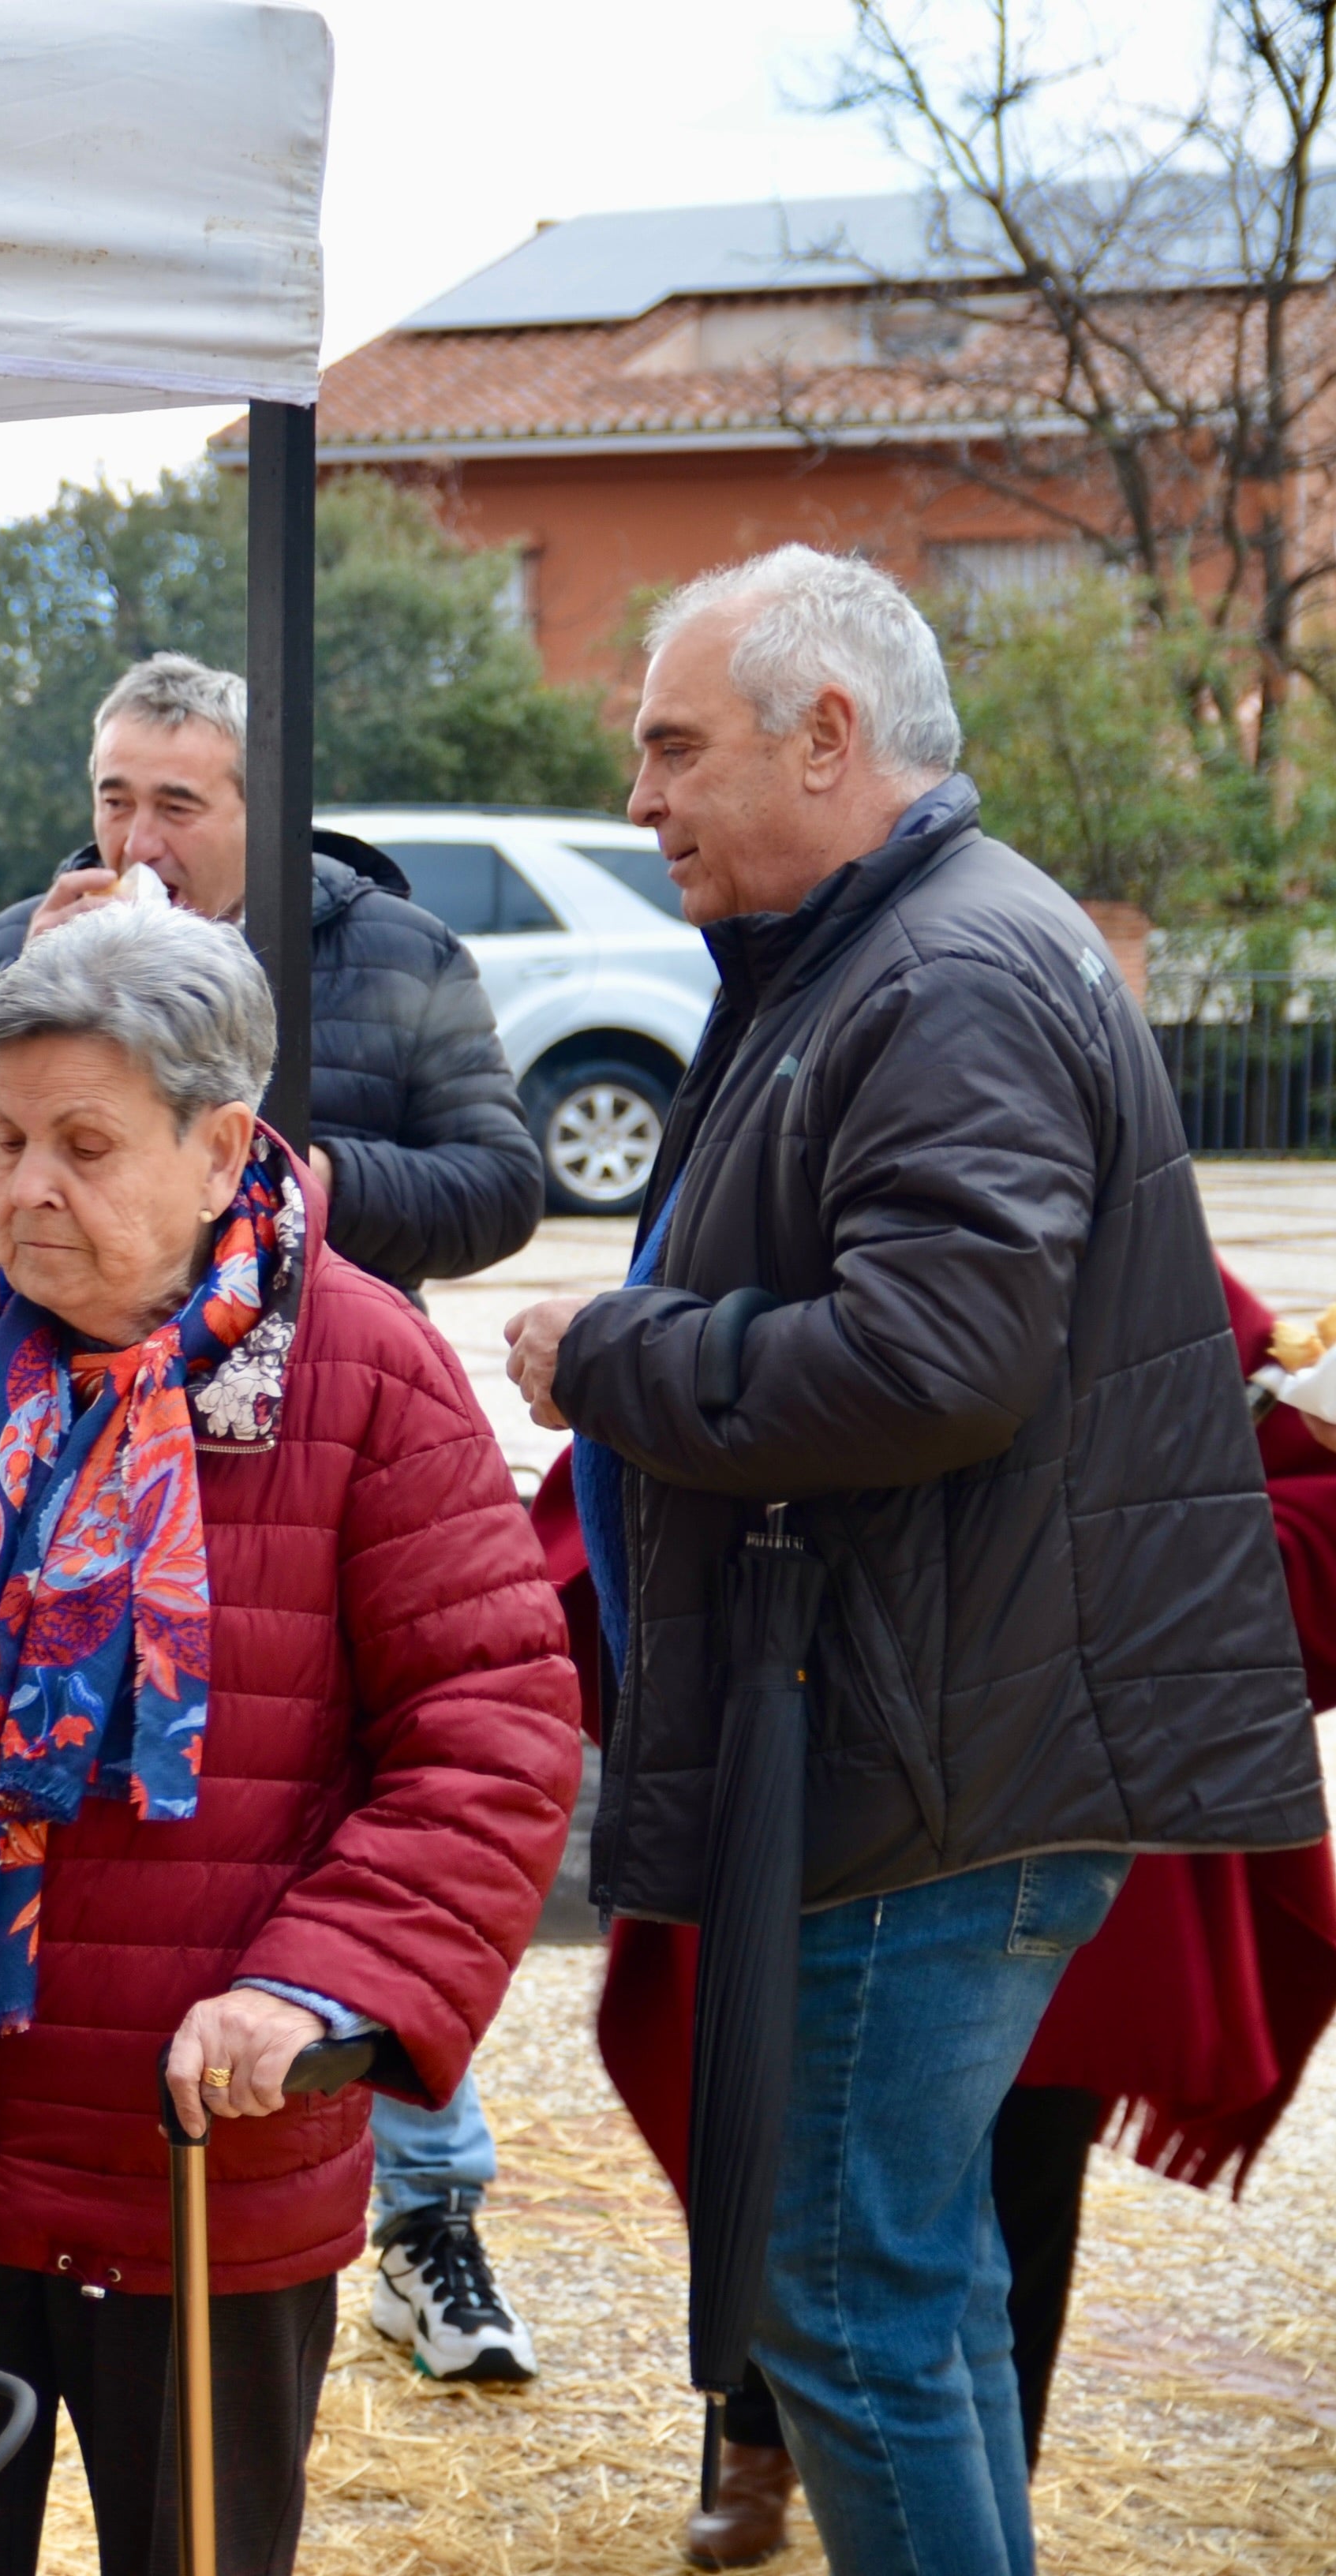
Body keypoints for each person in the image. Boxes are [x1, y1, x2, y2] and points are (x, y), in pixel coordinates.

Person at [503, 545, 1328, 2576]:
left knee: (844, 2290)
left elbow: (938, 1360)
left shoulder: (940, 971)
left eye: (674, 745)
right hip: (929, 1728)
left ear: (830, 734)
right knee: (909, 2278)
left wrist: (611, 1351)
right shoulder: (904, 946)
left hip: (930, 1758)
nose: (644, 796)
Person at [0, 900, 579, 2575]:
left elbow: (491, 1739)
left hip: (197, 2145)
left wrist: (316, 1985)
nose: (21, 1189)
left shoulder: (365, 1374)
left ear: (222, 1148)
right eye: (2, 1137)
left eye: (83, 1144)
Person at [0, 650, 553, 2379]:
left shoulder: (387, 965)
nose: (138, 830)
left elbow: (490, 1731)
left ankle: (435, 2217)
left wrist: (270, 1189)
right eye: (114, 796)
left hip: (197, 2125)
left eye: (179, 800)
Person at [568, 1261, 1336, 2570]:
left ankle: (980, 2503)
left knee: (988, 2184)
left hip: (1030, 1781)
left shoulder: (1138, 1252)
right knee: (782, 2146)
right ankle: (752, 2436)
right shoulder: (814, 1188)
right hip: (824, 1747)